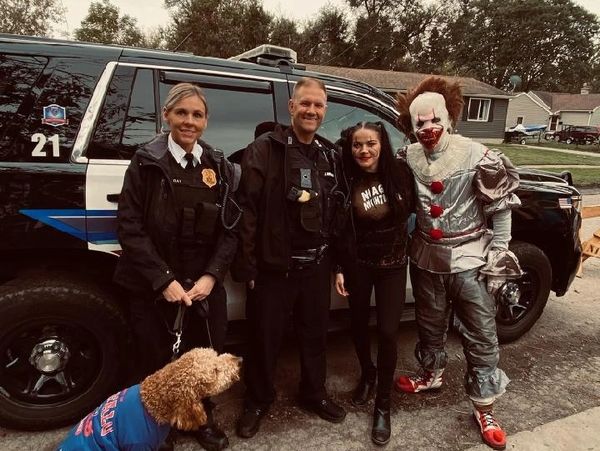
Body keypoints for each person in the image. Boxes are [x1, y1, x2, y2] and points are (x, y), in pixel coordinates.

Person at [394, 76, 522, 451]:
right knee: (429, 324)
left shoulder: (478, 155)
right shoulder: (407, 156)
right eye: (420, 123)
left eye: (435, 121)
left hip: (470, 260)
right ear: (412, 126)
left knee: (481, 334)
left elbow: (499, 208)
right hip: (425, 260)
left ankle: (484, 406)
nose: (428, 129)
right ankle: (431, 374)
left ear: (449, 119)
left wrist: (500, 250)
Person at [113, 82, 241, 451]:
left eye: (197, 115)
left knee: (204, 362)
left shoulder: (218, 165)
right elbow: (130, 227)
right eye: (181, 113)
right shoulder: (146, 162)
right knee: (154, 360)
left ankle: (201, 420)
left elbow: (231, 230)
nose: (189, 121)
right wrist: (162, 279)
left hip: (202, 285)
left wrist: (211, 276)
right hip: (155, 283)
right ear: (166, 115)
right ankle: (157, 428)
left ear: (206, 121)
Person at [232, 77, 349, 439]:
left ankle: (313, 393)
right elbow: (245, 211)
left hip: (316, 265)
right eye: (305, 103)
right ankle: (257, 399)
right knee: (263, 338)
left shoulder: (329, 154)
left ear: (324, 110)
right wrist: (247, 265)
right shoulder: (265, 150)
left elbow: (337, 213)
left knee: (315, 336)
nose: (311, 110)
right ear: (291, 107)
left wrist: (339, 265)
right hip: (274, 268)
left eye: (318, 105)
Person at [334, 121, 414, 446]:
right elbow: (339, 225)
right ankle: (367, 372)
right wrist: (339, 266)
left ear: (382, 144)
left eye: (370, 143)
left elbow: (419, 212)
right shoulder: (346, 177)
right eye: (357, 145)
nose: (364, 150)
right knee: (356, 324)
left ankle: (383, 404)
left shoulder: (401, 174)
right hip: (358, 265)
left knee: (388, 332)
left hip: (393, 266)